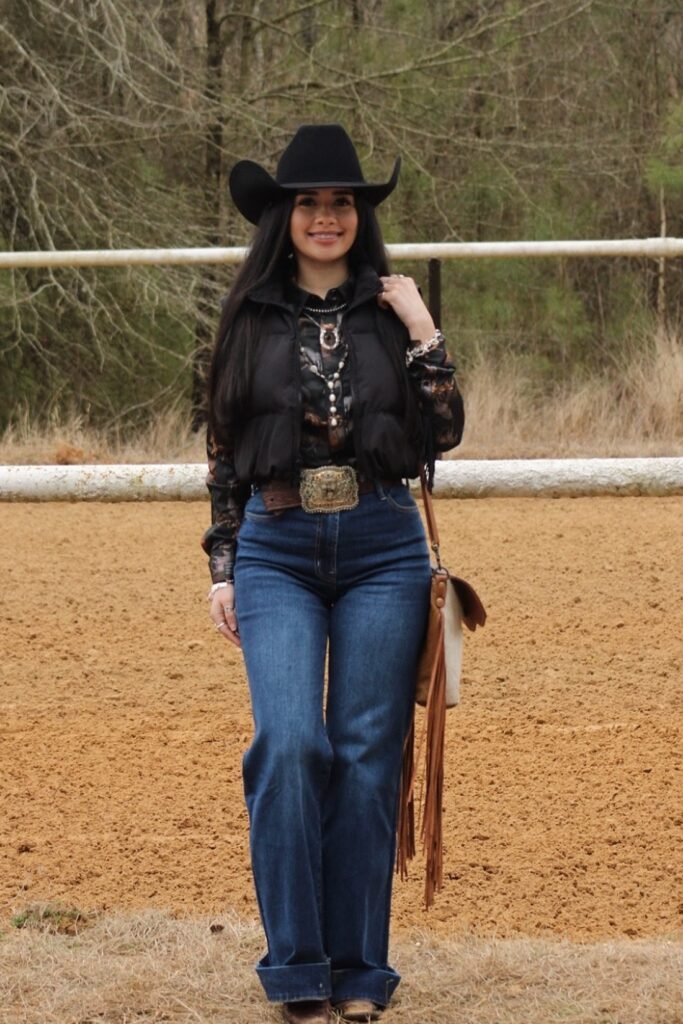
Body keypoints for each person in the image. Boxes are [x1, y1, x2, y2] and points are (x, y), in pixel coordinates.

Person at [202, 124, 464, 1024]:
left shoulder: (393, 312)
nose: (325, 217)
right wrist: (223, 565)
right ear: (283, 216)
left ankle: (358, 975)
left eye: (340, 203)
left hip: (385, 547)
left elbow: (445, 433)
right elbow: (223, 451)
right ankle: (295, 969)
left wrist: (423, 329)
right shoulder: (248, 316)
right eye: (308, 202)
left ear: (358, 216)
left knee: (362, 758)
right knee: (288, 744)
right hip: (275, 547)